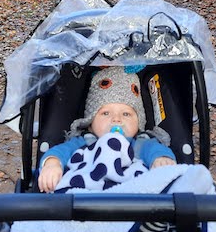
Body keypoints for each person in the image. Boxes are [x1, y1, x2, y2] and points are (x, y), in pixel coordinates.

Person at [38, 66, 176, 193]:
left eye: (126, 114)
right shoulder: (83, 142)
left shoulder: (141, 144)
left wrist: (161, 159)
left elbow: (156, 151)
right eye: (106, 113)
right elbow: (60, 152)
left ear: (139, 123)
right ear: (90, 123)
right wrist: (52, 164)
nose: (117, 119)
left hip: (132, 198)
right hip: (84, 197)